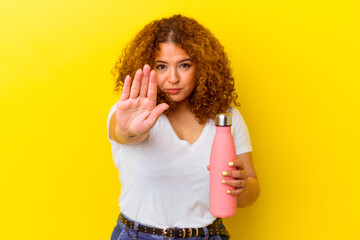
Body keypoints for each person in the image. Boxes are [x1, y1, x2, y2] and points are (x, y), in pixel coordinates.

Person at [107, 14, 260, 240]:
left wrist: (242, 187)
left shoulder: (225, 117)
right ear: (148, 68)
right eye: (161, 66)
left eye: (184, 65)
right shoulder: (129, 113)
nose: (173, 78)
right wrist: (130, 130)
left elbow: (251, 194)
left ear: (203, 66)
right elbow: (124, 134)